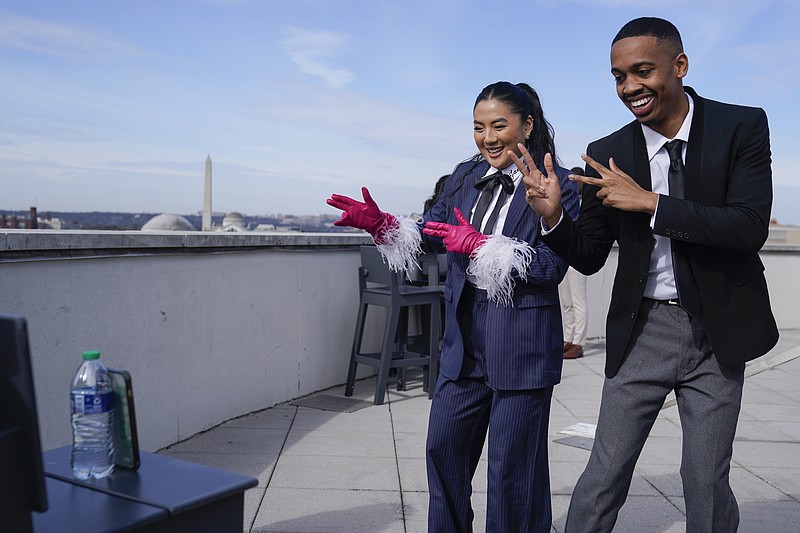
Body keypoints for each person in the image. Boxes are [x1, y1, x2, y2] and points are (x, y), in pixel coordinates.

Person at [516, 17, 779, 532]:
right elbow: (590, 255)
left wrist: (652, 204)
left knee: (705, 479)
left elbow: (749, 227)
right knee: (605, 472)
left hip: (719, 330)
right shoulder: (609, 149)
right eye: (618, 76)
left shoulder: (741, 126)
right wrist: (553, 218)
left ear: (679, 66)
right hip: (643, 329)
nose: (629, 87)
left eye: (641, 71)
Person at [327, 81, 579, 532]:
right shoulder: (465, 175)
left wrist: (483, 246)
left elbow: (552, 266)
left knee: (511, 474)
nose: (488, 137)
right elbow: (430, 231)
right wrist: (383, 225)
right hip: (463, 342)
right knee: (443, 451)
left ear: (527, 125)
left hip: (521, 345)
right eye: (479, 127)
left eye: (499, 125)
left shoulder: (559, 181)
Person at [559, 167, 589, 360]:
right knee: (566, 302)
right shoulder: (566, 200)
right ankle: (567, 339)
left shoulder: (587, 203)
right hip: (563, 253)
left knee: (579, 300)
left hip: (578, 255)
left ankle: (579, 342)